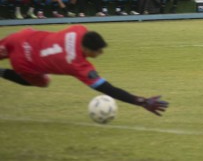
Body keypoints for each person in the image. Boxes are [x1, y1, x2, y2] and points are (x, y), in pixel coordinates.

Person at [0, 25, 169, 117]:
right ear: (87, 50)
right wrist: (141, 101)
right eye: (98, 51)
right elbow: (107, 88)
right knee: (45, 81)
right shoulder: (78, 65)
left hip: (22, 37)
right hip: (24, 63)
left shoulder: (79, 29)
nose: (100, 54)